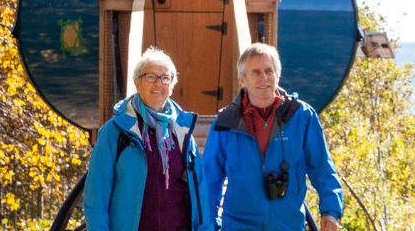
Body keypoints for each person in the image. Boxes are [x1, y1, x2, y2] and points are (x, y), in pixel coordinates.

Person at [199, 43, 343, 231]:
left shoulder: (301, 116)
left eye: (269, 71)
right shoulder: (226, 122)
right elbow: (210, 180)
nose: (264, 78)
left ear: (278, 75)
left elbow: (322, 167)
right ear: (242, 80)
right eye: (256, 72)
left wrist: (331, 211)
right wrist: (207, 226)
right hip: (238, 226)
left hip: (288, 225)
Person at [85, 46, 208, 231]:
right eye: (151, 77)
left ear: (172, 85)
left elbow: (200, 190)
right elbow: (96, 197)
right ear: (137, 82)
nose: (158, 83)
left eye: (165, 78)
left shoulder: (181, 132)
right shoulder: (115, 132)